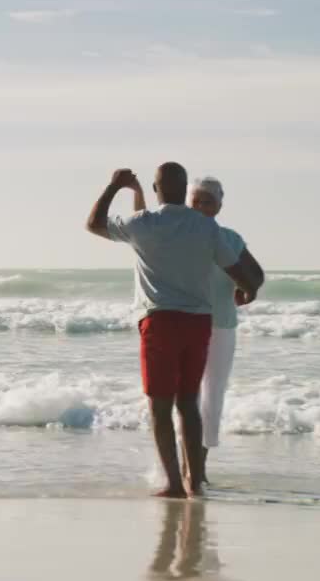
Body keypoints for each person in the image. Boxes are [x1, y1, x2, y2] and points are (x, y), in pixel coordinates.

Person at [86, 163, 263, 498]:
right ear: (185, 191)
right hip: (198, 324)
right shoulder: (207, 229)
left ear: (156, 190)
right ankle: (194, 482)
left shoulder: (144, 223)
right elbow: (240, 271)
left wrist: (113, 186)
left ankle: (172, 484)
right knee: (188, 403)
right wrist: (247, 289)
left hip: (160, 322)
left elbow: (94, 224)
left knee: (160, 405)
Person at [188, 177, 259, 485]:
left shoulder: (229, 237)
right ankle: (183, 465)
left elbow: (255, 274)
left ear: (219, 206)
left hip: (221, 325)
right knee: (184, 397)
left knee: (212, 397)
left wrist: (248, 291)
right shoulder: (178, 235)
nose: (202, 207)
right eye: (197, 201)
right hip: (186, 321)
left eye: (208, 202)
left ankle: (198, 468)